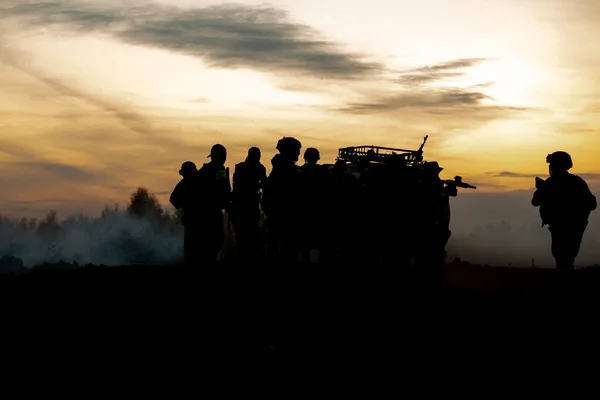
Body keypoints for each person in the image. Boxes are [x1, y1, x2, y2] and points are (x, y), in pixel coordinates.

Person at [532, 151, 597, 270]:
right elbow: (592, 204)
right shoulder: (577, 182)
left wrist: (543, 190)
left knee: (562, 256)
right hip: (574, 225)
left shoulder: (550, 183)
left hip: (561, 225)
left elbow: (535, 202)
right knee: (567, 256)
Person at [261, 137, 303, 265]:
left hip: (278, 218)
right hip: (286, 219)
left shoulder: (280, 170)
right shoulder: (289, 172)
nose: (298, 153)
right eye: (297, 150)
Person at [194, 144, 232, 265]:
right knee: (216, 237)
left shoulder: (204, 170)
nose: (225, 158)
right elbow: (222, 187)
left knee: (209, 237)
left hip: (205, 209)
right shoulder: (219, 170)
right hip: (211, 209)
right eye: (223, 155)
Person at [230, 147, 267, 263]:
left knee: (243, 238)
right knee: (248, 237)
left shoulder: (240, 167)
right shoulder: (258, 168)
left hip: (243, 207)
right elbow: (264, 184)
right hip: (246, 207)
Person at [169, 161, 200, 265]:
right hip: (193, 219)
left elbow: (174, 200)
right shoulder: (186, 184)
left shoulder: (188, 183)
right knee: (192, 246)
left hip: (198, 219)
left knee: (193, 246)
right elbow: (173, 200)